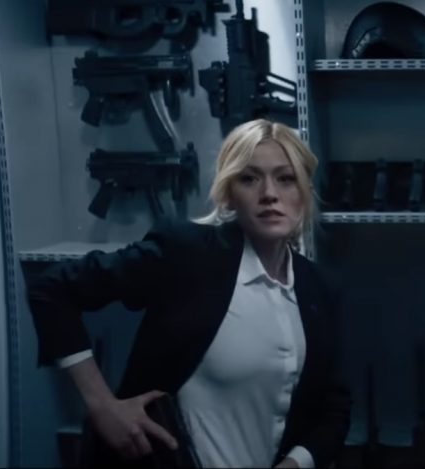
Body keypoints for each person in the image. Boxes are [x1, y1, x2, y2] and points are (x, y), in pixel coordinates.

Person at [26, 119, 351, 468]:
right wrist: (102, 405)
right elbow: (53, 288)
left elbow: (333, 409)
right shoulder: (187, 253)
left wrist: (296, 463)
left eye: (286, 179)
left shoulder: (320, 287)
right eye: (249, 178)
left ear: (304, 191)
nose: (269, 193)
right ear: (229, 194)